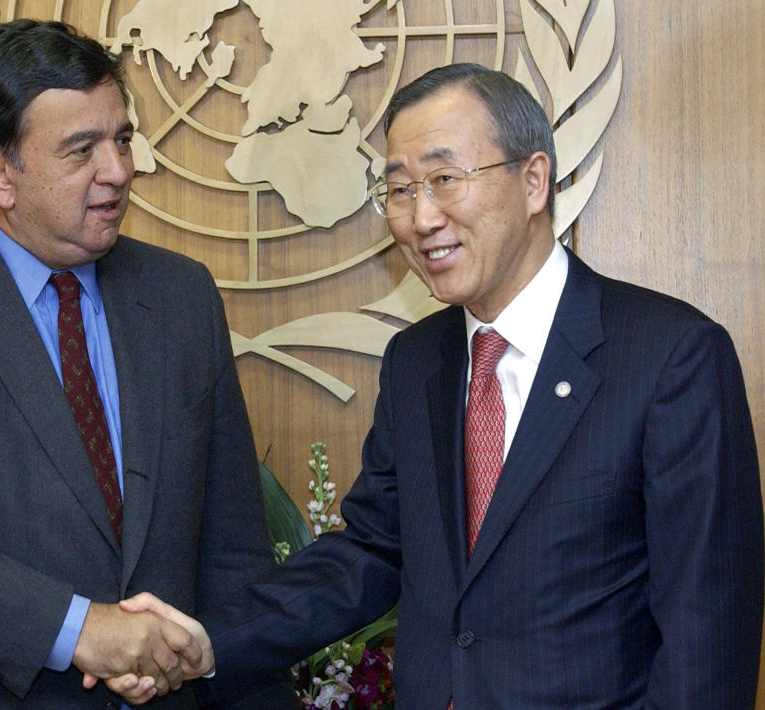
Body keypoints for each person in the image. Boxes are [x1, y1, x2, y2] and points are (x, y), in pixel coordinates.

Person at [122, 63, 764, 708]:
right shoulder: (417, 361)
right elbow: (372, 553)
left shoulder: (669, 356)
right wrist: (208, 643)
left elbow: (707, 636)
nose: (420, 217)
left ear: (533, 180)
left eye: (444, 180)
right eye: (399, 190)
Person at [0, 19, 295, 710]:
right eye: (81, 149)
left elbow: (232, 545)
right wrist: (77, 629)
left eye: (122, 139)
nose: (119, 171)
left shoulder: (181, 295)